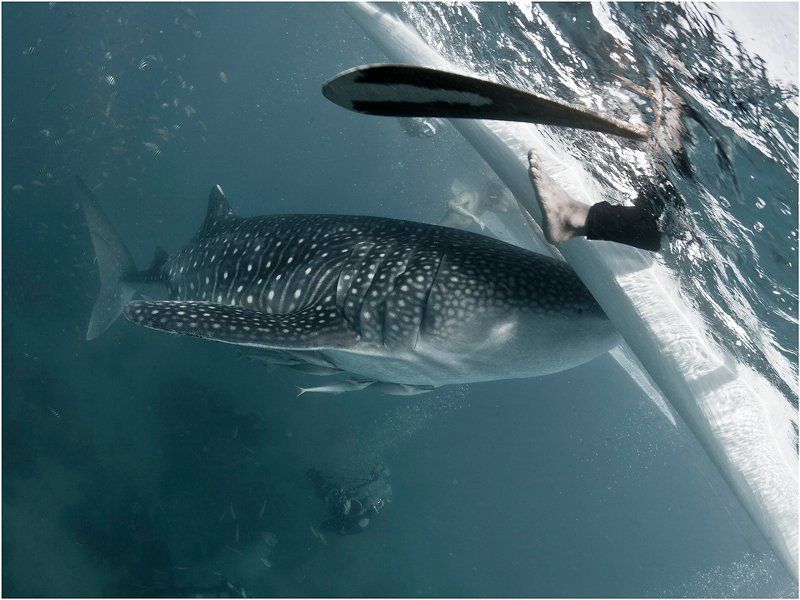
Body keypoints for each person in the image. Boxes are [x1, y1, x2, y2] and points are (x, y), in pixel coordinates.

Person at [306, 465, 390, 536]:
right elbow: (354, 496)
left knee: (337, 522)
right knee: (335, 493)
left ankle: (320, 529)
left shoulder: (364, 521)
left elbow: (346, 526)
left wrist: (345, 512)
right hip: (346, 510)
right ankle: (316, 479)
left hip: (345, 522)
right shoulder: (365, 501)